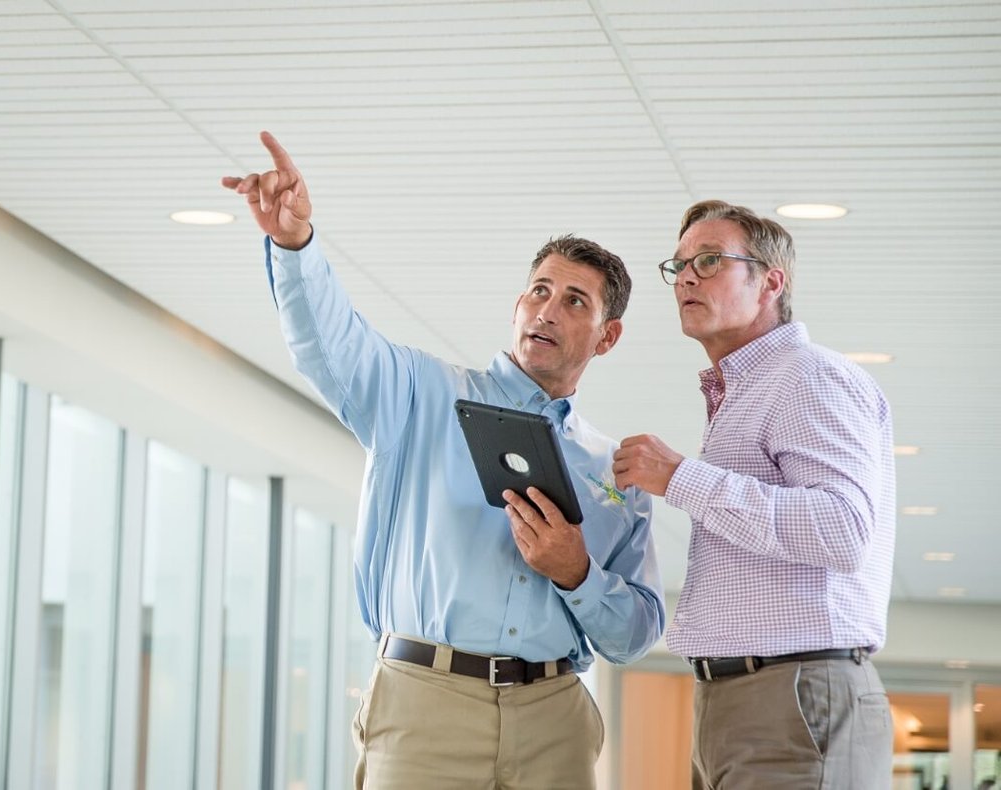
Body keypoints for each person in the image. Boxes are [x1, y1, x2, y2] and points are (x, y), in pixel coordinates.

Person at [222, 131, 663, 790]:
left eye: (575, 301)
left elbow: (636, 634)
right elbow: (329, 341)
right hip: (425, 704)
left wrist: (577, 573)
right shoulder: (420, 394)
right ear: (518, 305)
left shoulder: (616, 470)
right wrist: (295, 245)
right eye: (539, 290)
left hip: (554, 717)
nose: (548, 309)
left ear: (608, 336)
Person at [612, 200, 896, 789]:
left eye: (710, 260)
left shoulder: (807, 376)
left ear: (771, 281)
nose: (686, 276)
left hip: (794, 697)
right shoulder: (744, 391)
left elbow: (843, 530)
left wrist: (681, 479)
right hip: (738, 701)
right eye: (680, 265)